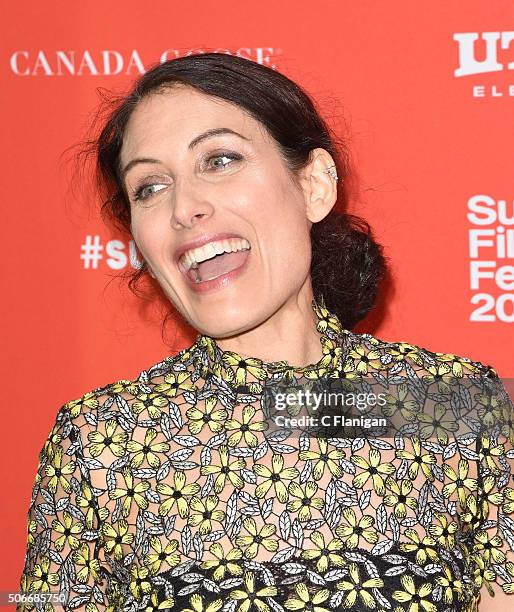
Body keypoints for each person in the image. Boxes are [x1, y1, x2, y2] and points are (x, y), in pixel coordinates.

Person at [17, 53, 514, 612]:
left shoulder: (449, 407)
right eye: (150, 188)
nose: (185, 208)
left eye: (220, 159)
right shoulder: (102, 443)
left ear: (315, 185)